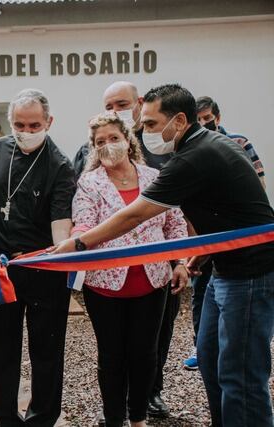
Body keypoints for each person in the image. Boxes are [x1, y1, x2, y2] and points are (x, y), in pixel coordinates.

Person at [51, 83, 274, 427]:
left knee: (240, 373)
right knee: (212, 359)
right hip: (222, 270)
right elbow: (219, 214)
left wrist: (77, 245)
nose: (145, 132)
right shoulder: (199, 149)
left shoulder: (194, 156)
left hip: (249, 275)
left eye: (151, 125)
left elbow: (137, 214)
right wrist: (195, 258)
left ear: (180, 121)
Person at [73, 112, 188, 427]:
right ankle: (114, 420)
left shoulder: (154, 177)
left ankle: (138, 418)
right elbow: (83, 221)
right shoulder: (89, 182)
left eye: (113, 138)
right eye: (100, 142)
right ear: (93, 149)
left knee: (144, 354)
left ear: (127, 140)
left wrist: (179, 262)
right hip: (104, 285)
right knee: (112, 356)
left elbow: (174, 223)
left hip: (152, 281)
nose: (108, 146)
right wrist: (75, 241)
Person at [0, 89, 76, 426]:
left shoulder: (59, 164)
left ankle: (42, 418)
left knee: (46, 348)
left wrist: (63, 255)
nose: (26, 131)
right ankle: (4, 417)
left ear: (49, 122)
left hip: (44, 268)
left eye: (34, 125)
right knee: (0, 348)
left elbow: (61, 222)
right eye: (19, 124)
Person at [183, 95, 268, 370]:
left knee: (241, 354)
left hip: (242, 248)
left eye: (208, 119)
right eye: (200, 119)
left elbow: (258, 189)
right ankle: (202, 346)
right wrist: (200, 247)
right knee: (202, 294)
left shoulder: (238, 144)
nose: (204, 124)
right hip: (209, 244)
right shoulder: (192, 152)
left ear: (217, 118)